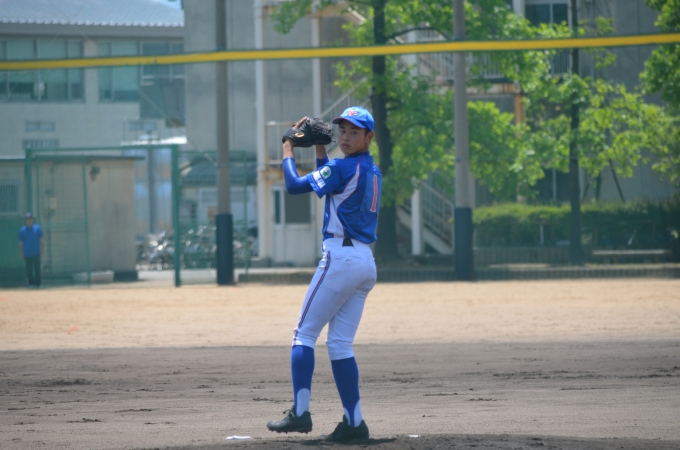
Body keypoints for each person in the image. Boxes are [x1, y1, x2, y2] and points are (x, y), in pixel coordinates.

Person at [266, 107, 381, 443]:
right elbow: (329, 181)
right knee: (340, 344)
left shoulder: (343, 167)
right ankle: (354, 423)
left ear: (369, 137)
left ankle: (300, 413)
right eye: (341, 130)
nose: (345, 137)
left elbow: (294, 186)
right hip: (364, 261)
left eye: (354, 132)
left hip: (340, 258)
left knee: (303, 334)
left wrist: (287, 146)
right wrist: (319, 147)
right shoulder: (369, 168)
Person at [18, 212, 44, 288]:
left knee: (37, 269)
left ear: (32, 220)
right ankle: (31, 284)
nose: (29, 220)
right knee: (29, 269)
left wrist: (42, 249)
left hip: (36, 252)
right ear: (25, 221)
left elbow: (42, 239)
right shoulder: (22, 230)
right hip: (27, 253)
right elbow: (20, 242)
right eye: (27, 219)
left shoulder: (37, 228)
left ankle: (39, 284)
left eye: (30, 219)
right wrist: (21, 252)